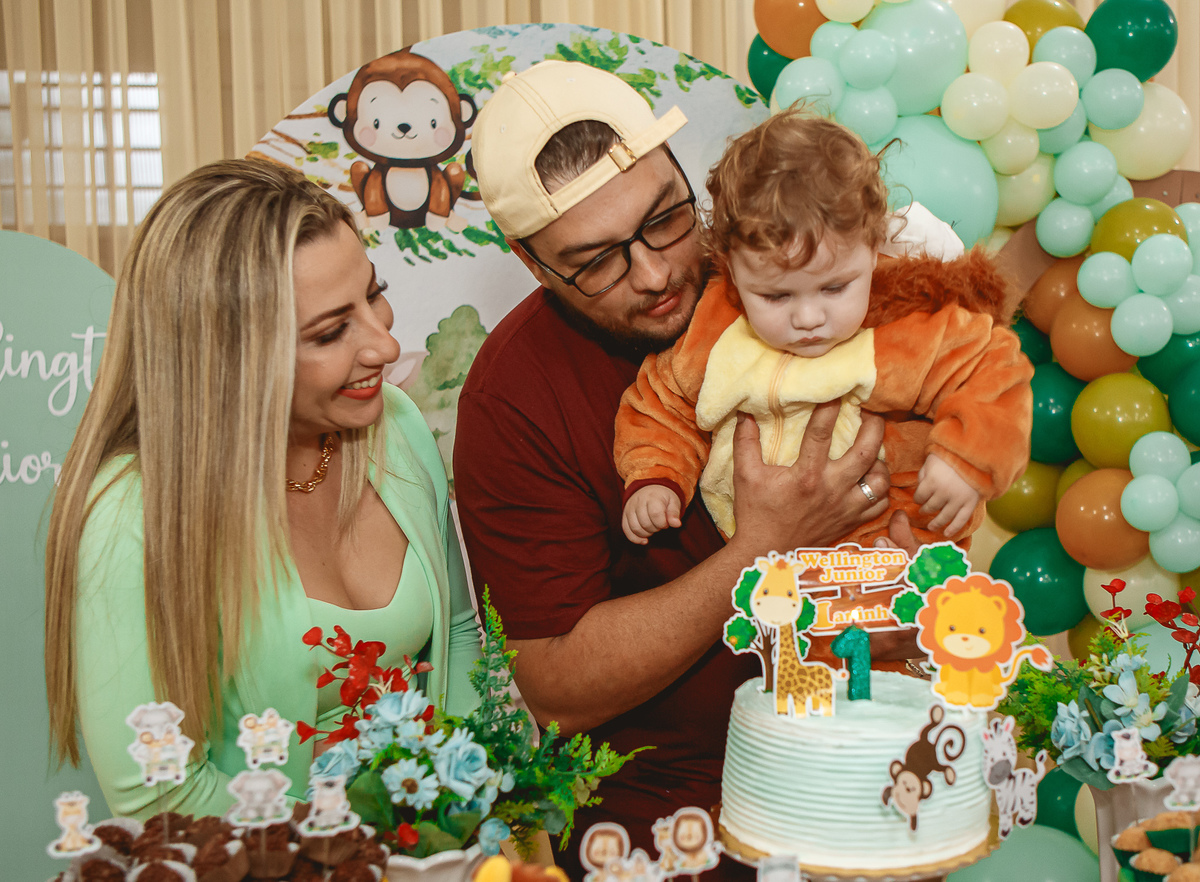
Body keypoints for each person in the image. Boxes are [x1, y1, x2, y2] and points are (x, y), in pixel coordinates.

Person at [453, 61, 924, 876]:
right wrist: (764, 546)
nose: (654, 273)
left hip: (876, 764)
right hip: (673, 825)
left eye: (666, 219)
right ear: (530, 262)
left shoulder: (801, 269)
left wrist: (912, 578)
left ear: (687, 177)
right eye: (595, 261)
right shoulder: (515, 398)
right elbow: (555, 686)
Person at [44, 159, 482, 819]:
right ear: (230, 360)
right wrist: (356, 852)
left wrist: (460, 814)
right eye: (330, 332)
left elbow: (458, 634)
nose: (386, 346)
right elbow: (158, 794)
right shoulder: (133, 514)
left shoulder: (397, 426)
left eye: (374, 293)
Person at [616, 110, 1033, 552]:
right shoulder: (717, 324)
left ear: (873, 250)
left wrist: (964, 461)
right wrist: (655, 475)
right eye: (776, 296)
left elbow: (991, 371)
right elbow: (664, 404)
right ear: (731, 270)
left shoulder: (903, 325)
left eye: (834, 288)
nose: (809, 317)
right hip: (767, 560)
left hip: (895, 542)